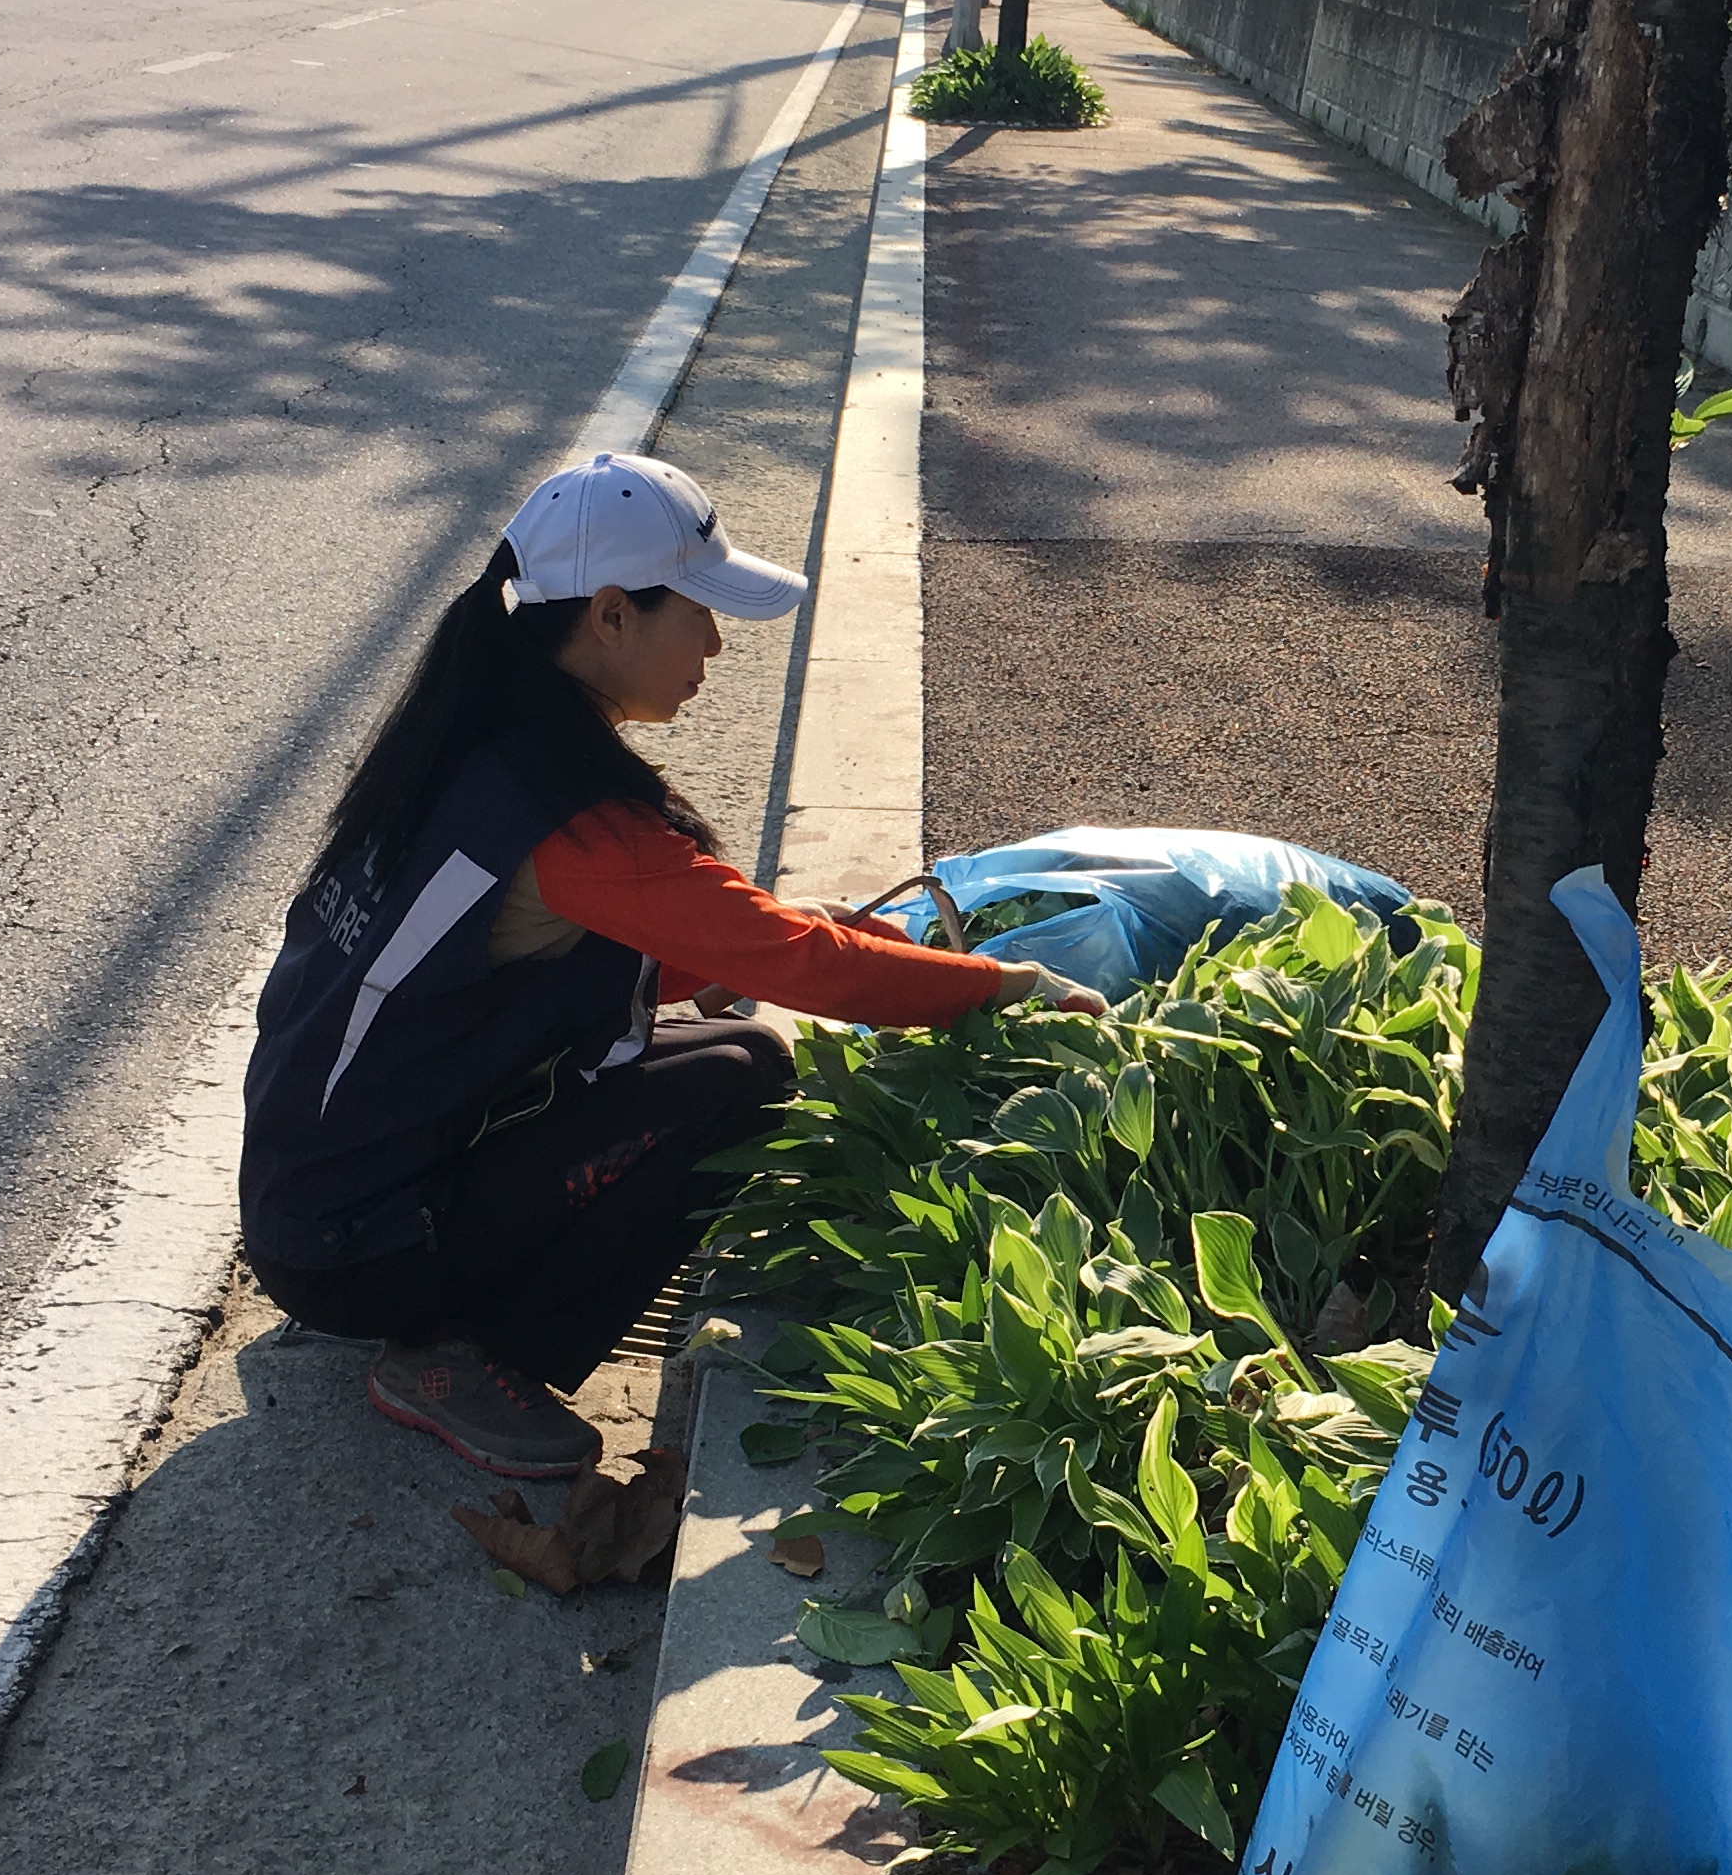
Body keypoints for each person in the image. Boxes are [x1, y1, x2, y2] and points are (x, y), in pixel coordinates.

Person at [236, 451, 1102, 1482]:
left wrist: (730, 949)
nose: (718, 646)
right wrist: (1014, 988)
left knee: (740, 1050)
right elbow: (807, 967)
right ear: (612, 614)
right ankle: (467, 1354)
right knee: (731, 1088)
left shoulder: (473, 740)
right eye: (699, 614)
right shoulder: (575, 819)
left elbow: (500, 975)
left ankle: (447, 1291)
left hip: (316, 1189)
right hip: (355, 1245)